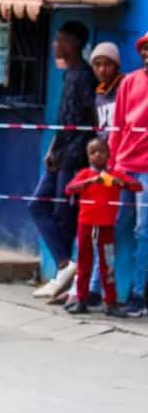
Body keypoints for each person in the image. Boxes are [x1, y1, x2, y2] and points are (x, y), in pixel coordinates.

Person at [30, 21, 96, 300]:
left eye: (62, 40)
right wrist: (53, 148)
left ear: (76, 43)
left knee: (64, 217)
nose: (57, 45)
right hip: (59, 155)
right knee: (37, 206)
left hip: (73, 160)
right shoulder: (68, 74)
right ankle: (64, 266)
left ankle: (67, 280)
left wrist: (66, 155)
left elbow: (89, 124)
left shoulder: (85, 76)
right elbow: (65, 121)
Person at [57, 41, 124, 309]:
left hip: (116, 163)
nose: (102, 69)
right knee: (86, 248)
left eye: (107, 64)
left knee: (108, 245)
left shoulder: (122, 90)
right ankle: (82, 292)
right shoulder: (97, 93)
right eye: (97, 64)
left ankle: (104, 295)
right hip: (98, 175)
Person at [64, 138, 141, 316]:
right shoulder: (84, 174)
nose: (97, 155)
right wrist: (90, 182)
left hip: (106, 228)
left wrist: (121, 183)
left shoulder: (114, 175)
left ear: (109, 155)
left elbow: (137, 187)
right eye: (93, 152)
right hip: (86, 226)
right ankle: (81, 300)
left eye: (101, 151)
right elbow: (69, 189)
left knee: (108, 265)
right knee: (84, 264)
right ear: (88, 157)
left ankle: (110, 303)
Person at [108, 31, 148, 318]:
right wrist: (111, 164)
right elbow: (117, 125)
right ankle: (100, 291)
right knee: (109, 226)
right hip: (123, 166)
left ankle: (138, 294)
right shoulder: (130, 83)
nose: (147, 54)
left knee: (143, 233)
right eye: (144, 49)